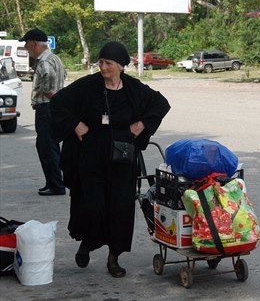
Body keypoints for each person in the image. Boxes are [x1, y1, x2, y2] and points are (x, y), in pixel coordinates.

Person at [50, 41, 170, 278]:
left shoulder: (133, 89)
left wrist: (142, 124)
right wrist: (75, 124)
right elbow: (58, 102)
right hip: (90, 157)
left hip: (122, 159)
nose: (103, 67)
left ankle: (113, 258)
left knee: (119, 209)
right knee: (92, 205)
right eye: (101, 62)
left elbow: (161, 104)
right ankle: (87, 242)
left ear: (121, 66)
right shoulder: (87, 86)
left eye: (108, 63)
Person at [19, 28, 66, 196]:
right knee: (47, 145)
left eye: (27, 44)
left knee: (47, 146)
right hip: (52, 107)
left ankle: (56, 185)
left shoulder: (44, 62)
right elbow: (63, 75)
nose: (26, 47)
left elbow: (47, 81)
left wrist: (47, 93)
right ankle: (53, 182)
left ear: (34, 44)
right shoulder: (55, 58)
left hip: (46, 107)